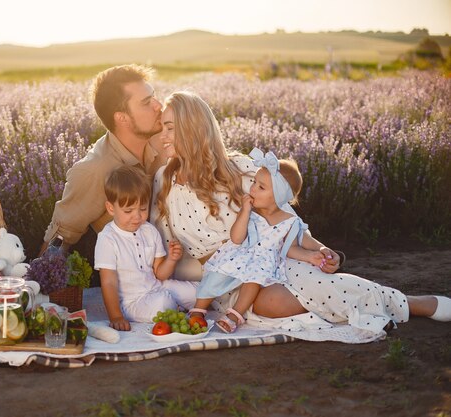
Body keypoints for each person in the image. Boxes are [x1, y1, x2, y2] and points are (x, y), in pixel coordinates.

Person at [151, 90, 451, 334]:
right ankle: (373, 309)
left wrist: (320, 248)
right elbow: (164, 248)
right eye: (161, 127)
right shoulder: (164, 181)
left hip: (272, 258)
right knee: (275, 305)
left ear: (192, 129)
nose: (162, 135)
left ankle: (411, 304)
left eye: (169, 127)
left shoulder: (238, 169)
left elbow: (282, 216)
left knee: (314, 283)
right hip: (223, 280)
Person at [40, 64, 166, 255]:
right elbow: (59, 239)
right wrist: (38, 280)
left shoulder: (165, 138)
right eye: (147, 102)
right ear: (122, 118)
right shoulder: (95, 170)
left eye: (154, 96)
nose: (158, 105)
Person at [197, 149, 326, 333]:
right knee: (217, 274)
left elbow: (290, 249)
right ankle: (198, 308)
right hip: (240, 253)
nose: (252, 189)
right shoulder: (252, 213)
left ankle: (235, 315)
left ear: (278, 197)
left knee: (253, 280)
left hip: (262, 262)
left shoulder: (290, 222)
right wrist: (244, 212)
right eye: (254, 183)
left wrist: (312, 256)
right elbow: (236, 238)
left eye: (261, 187)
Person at [94, 165, 197, 331]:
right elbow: (108, 282)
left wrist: (171, 259)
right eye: (128, 210)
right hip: (133, 301)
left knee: (198, 292)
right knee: (163, 303)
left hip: (157, 286)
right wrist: (116, 317)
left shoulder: (149, 230)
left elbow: (160, 274)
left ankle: (180, 306)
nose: (137, 216)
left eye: (143, 209)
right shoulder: (108, 239)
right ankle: (178, 308)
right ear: (111, 208)